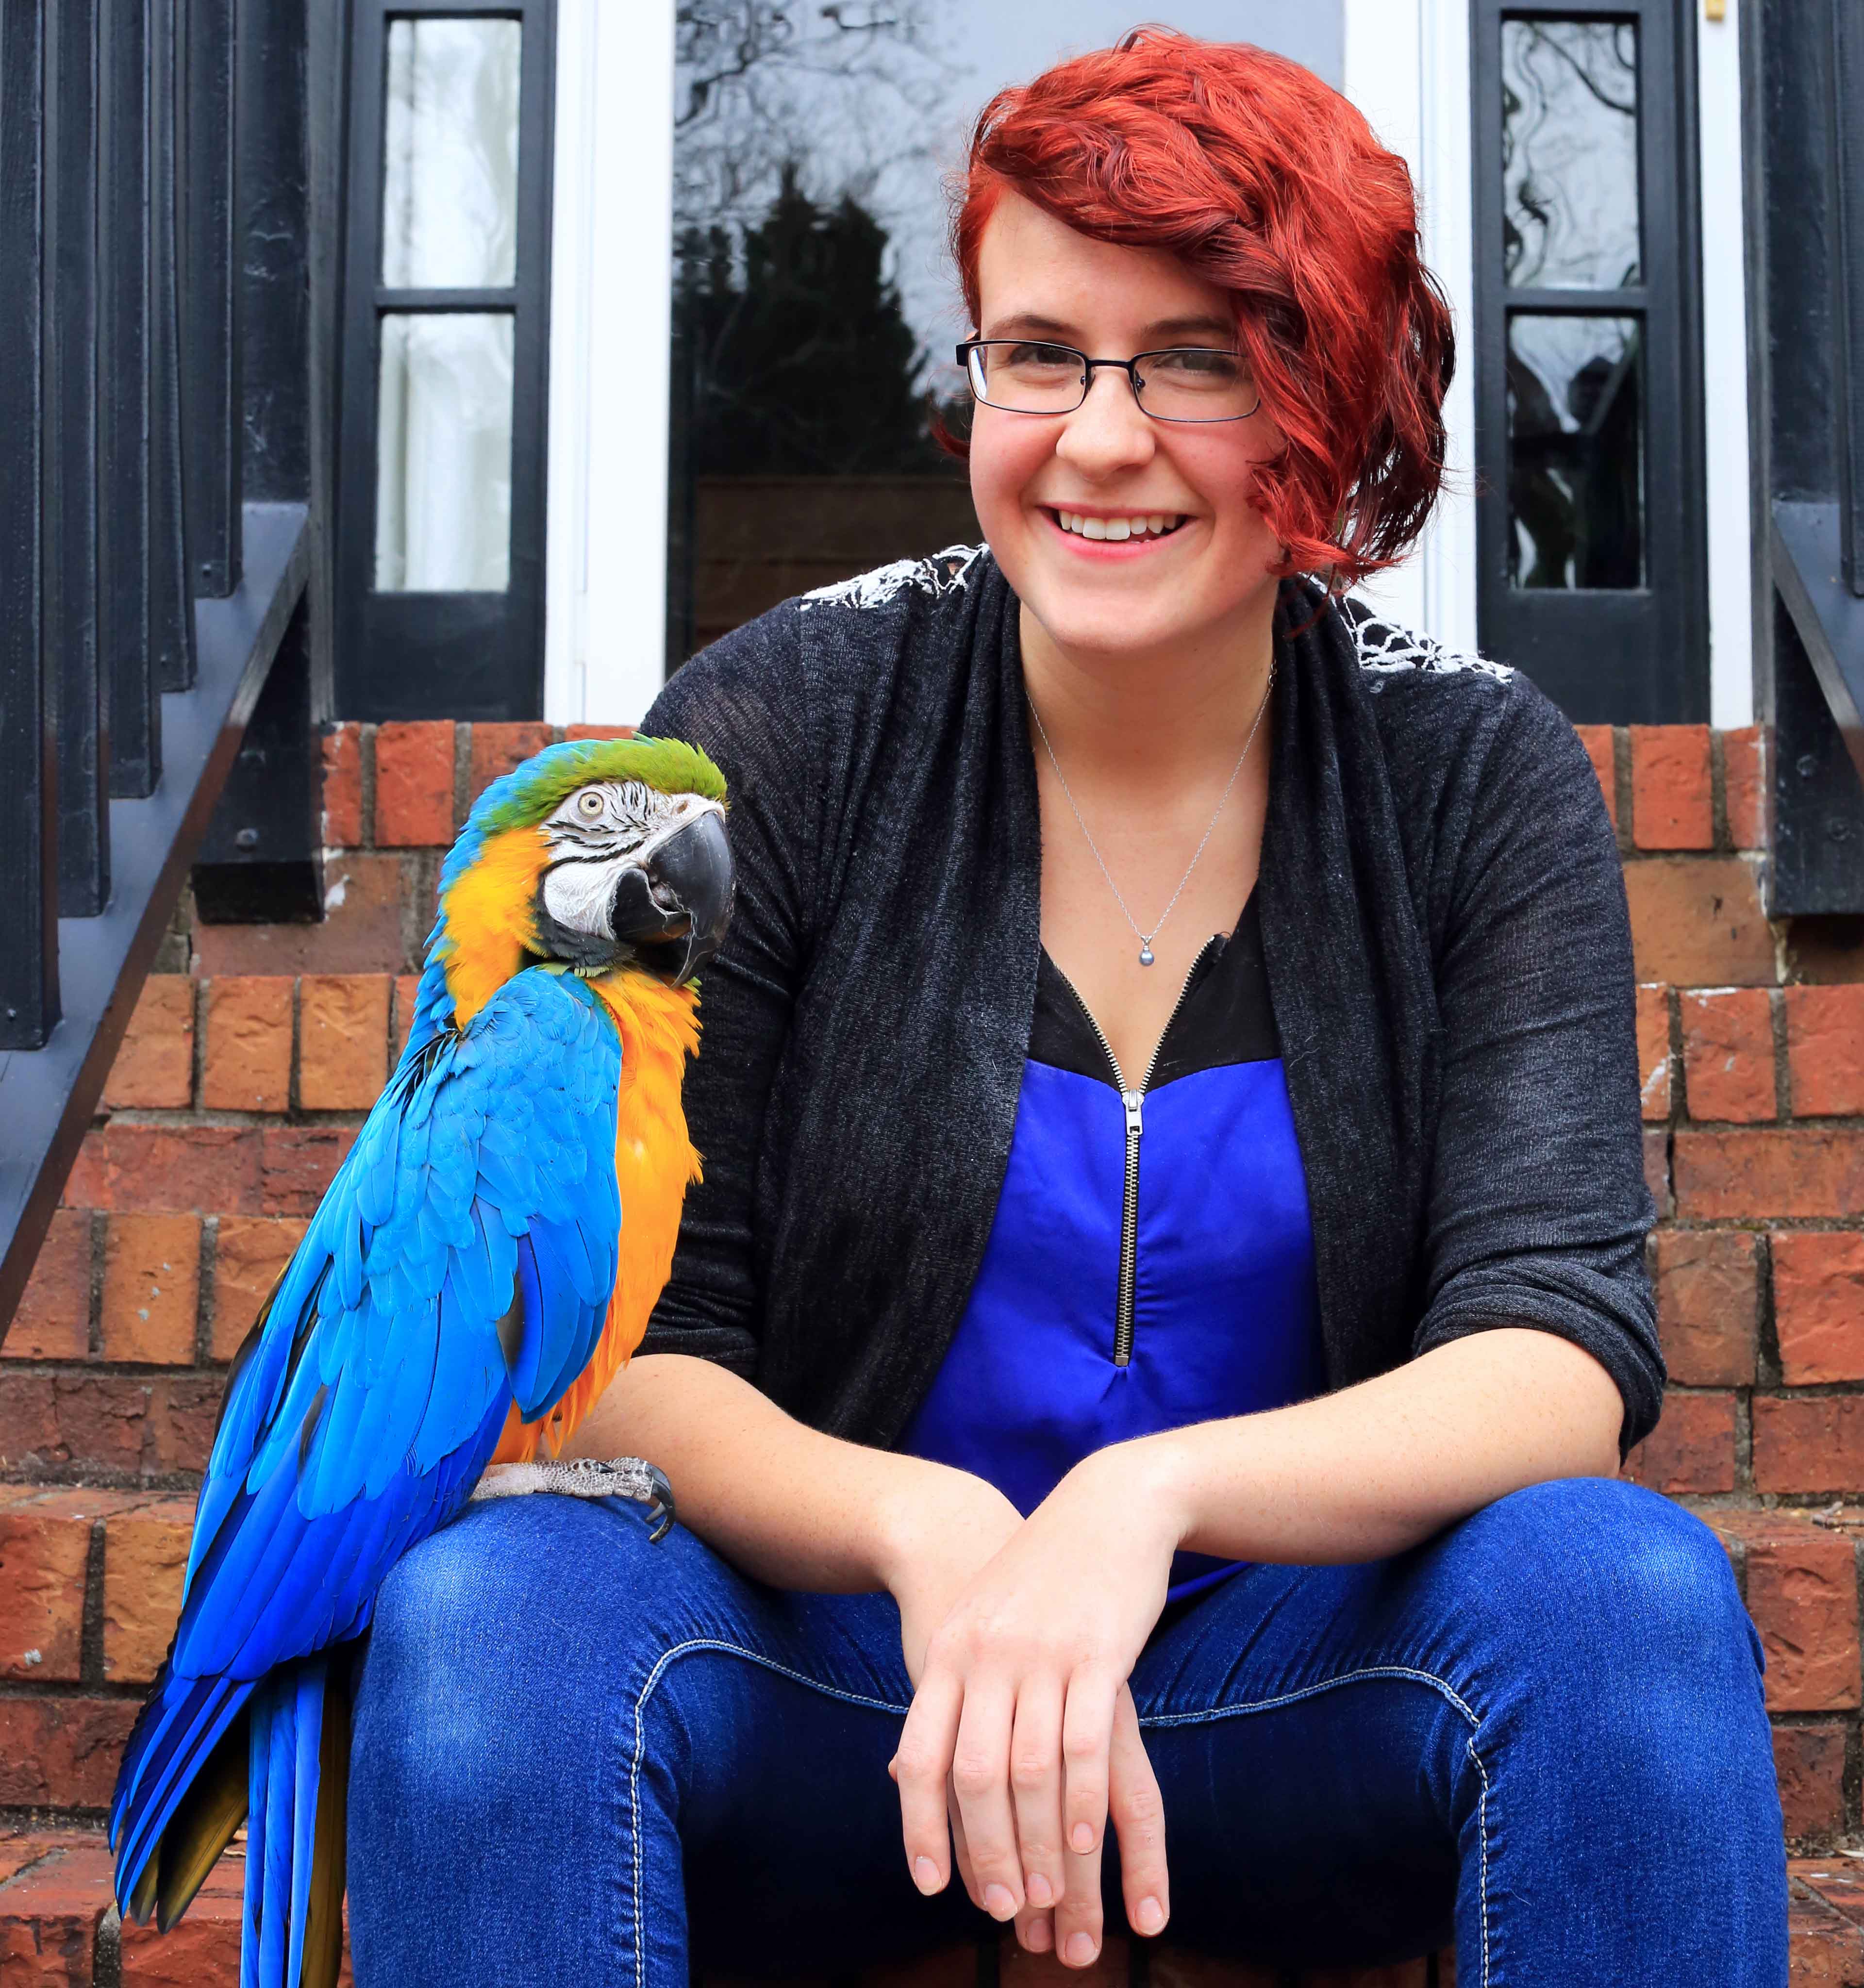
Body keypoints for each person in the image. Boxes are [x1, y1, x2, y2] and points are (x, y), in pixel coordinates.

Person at [347, 30, 1786, 1988]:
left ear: (1325, 402)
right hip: (839, 1689)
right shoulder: (770, 736)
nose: (1097, 438)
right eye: (1039, 353)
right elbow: (631, 1347)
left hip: (1292, 1693)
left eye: (1193, 358)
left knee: (1624, 1594)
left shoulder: (1475, 772)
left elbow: (1558, 1349)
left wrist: (1143, 1504)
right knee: (494, 1612)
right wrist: (938, 1541)